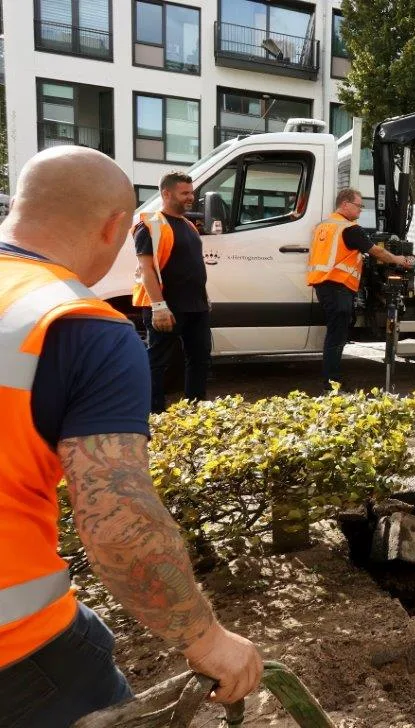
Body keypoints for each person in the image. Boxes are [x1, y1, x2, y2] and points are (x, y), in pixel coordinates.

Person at [0, 147, 262, 726]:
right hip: (17, 653)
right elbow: (117, 517)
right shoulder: (78, 324)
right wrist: (206, 638)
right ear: (114, 226)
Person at [307, 188, 412, 388]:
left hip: (324, 285)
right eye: (359, 205)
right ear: (345, 204)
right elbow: (377, 252)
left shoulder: (323, 226)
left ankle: (332, 380)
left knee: (335, 334)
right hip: (338, 287)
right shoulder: (349, 229)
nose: (361, 210)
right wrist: (399, 259)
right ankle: (332, 384)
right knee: (336, 336)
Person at [133, 171, 210, 414]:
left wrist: (204, 299)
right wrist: (159, 307)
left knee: (199, 359)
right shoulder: (150, 225)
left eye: (191, 192)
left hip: (196, 306)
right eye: (184, 193)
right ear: (166, 194)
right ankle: (154, 415)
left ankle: (194, 413)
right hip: (166, 307)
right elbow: (146, 270)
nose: (191, 197)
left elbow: (192, 266)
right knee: (158, 363)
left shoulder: (188, 225)